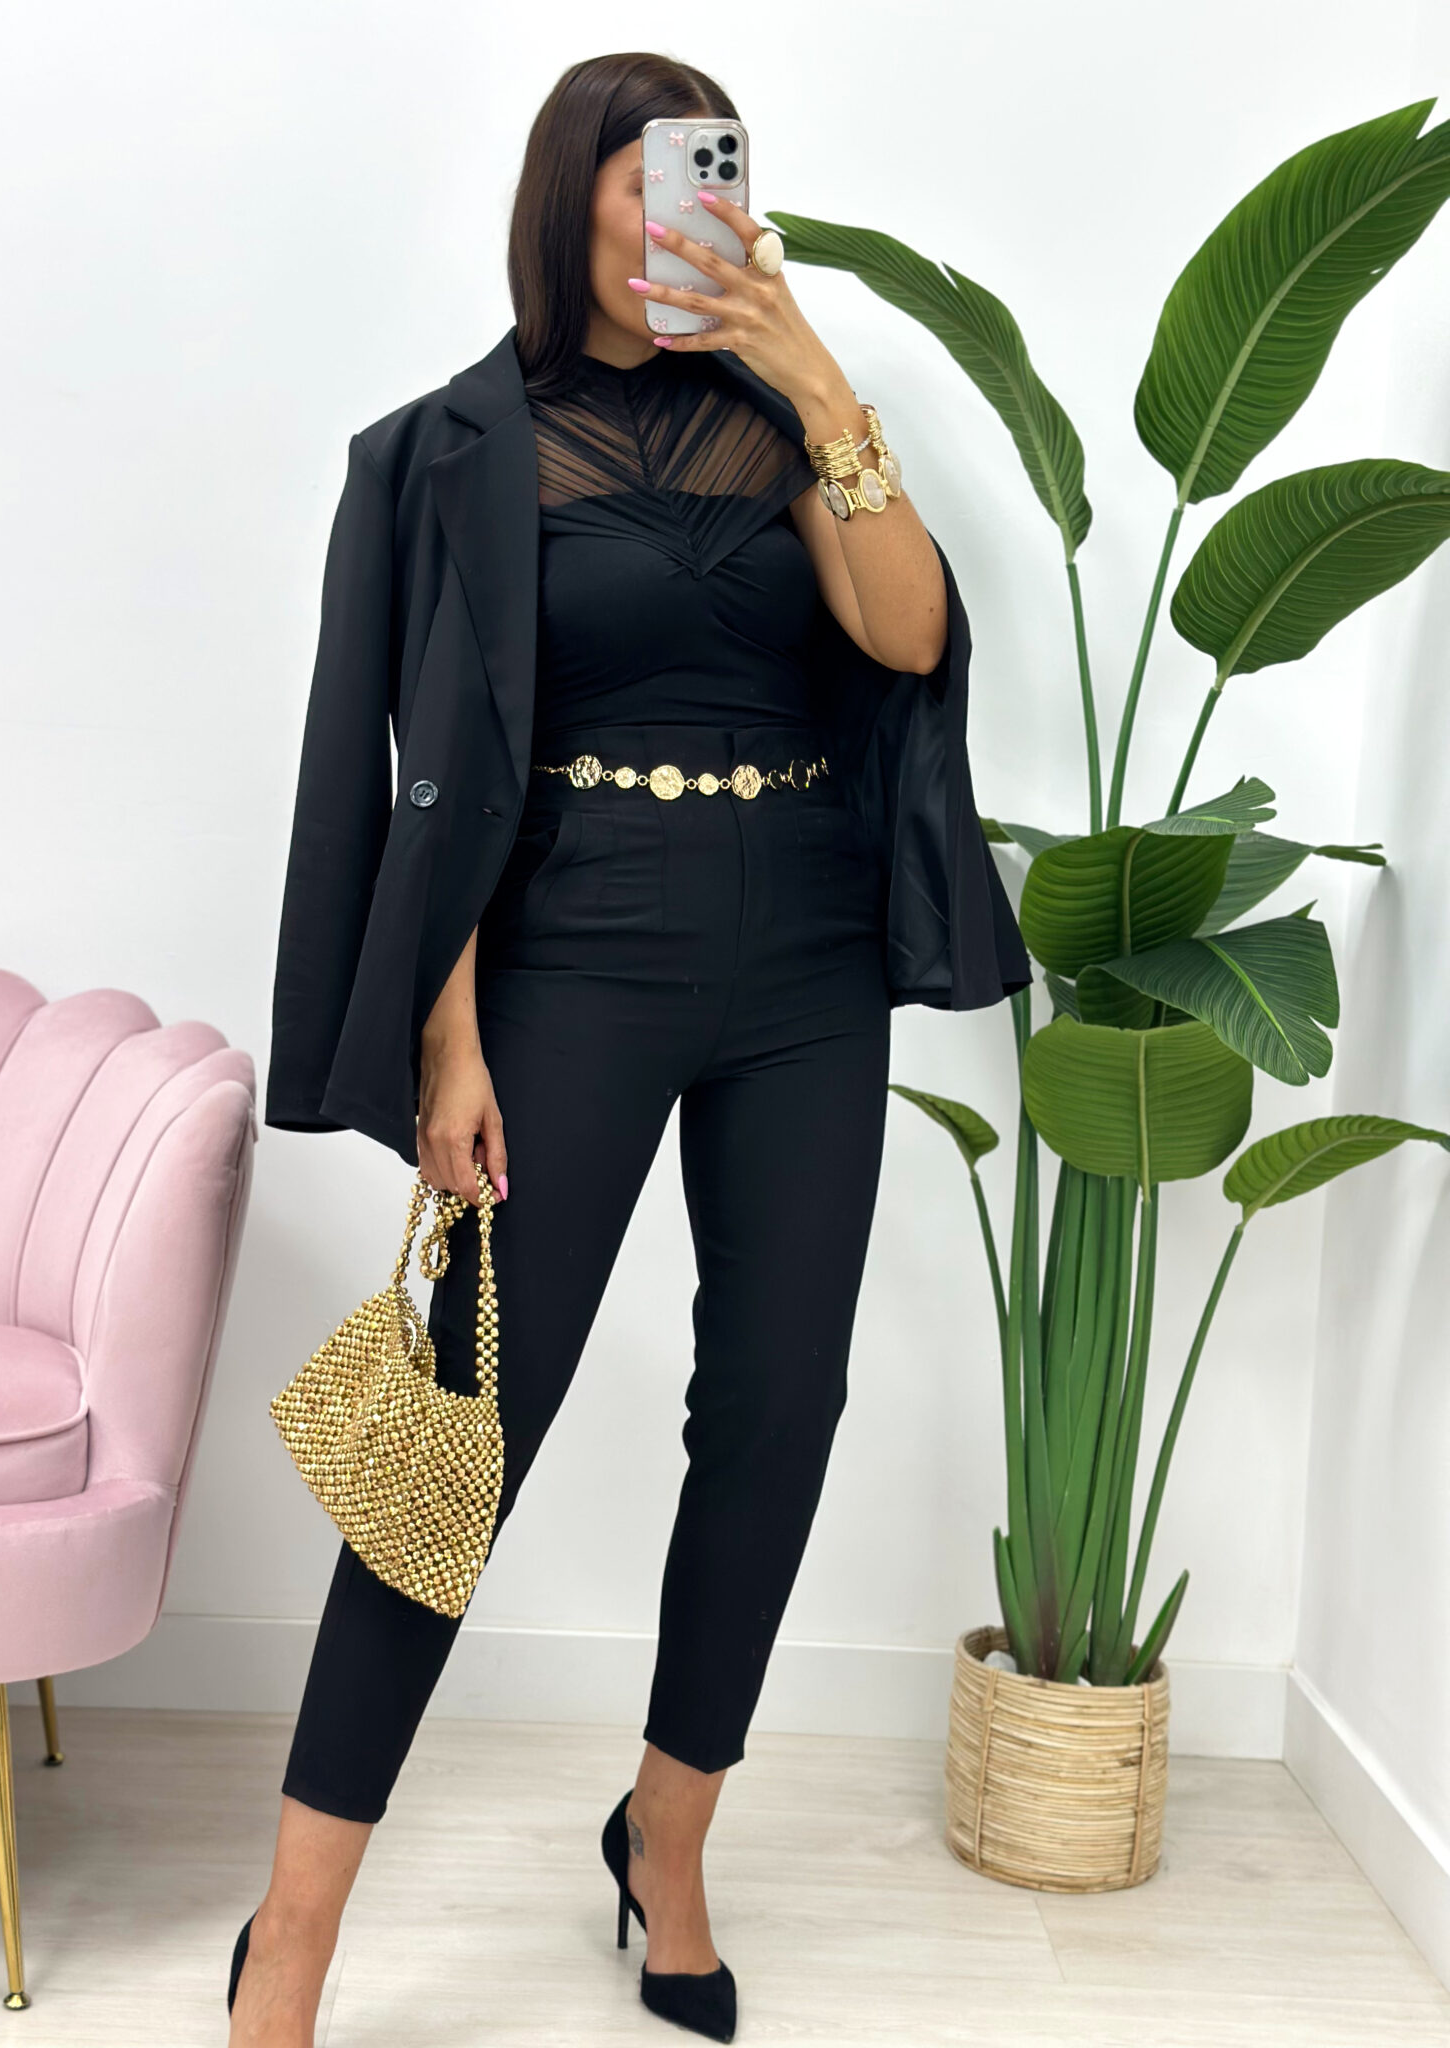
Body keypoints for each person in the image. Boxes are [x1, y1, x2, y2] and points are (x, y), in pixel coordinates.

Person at [238, 50, 1028, 2048]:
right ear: (574, 194)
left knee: (776, 1404)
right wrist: (447, 1036)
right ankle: (294, 1935)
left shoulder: (785, 422)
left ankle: (667, 1836)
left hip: (804, 959)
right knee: (457, 1431)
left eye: (717, 169)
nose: (690, 203)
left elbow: (908, 637)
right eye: (651, 169)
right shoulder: (445, 451)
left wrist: (819, 380)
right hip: (567, 959)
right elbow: (420, 772)